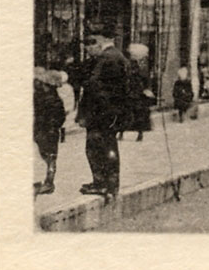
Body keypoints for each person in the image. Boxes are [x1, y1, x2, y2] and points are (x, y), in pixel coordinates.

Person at [76, 29, 131, 198]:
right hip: (109, 112)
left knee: (96, 148)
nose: (89, 50)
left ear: (99, 41)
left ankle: (102, 184)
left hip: (101, 113)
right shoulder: (116, 56)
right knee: (107, 147)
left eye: (90, 46)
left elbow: (96, 86)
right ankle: (109, 184)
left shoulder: (107, 58)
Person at [34, 66, 67, 195]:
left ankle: (49, 183)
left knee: (49, 157)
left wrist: (51, 126)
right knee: (46, 156)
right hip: (44, 130)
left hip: (48, 131)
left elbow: (60, 117)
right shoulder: (44, 97)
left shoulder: (52, 100)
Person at [122, 44, 155, 142]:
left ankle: (132, 133)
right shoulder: (138, 67)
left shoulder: (133, 67)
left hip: (135, 93)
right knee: (136, 114)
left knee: (133, 114)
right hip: (136, 93)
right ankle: (138, 133)